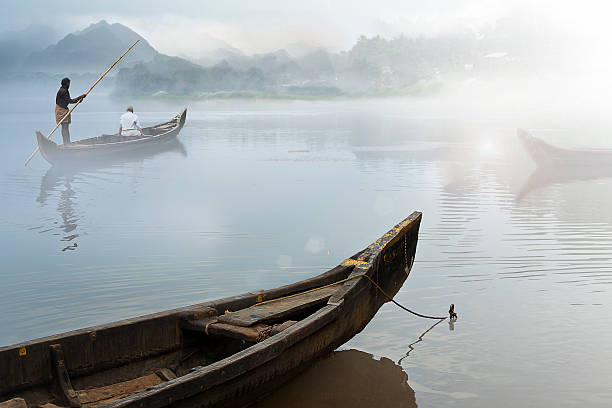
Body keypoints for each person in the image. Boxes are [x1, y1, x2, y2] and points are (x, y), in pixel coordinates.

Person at [55, 78, 86, 145]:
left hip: (64, 109)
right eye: (69, 84)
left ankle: (67, 142)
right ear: (66, 84)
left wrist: (78, 101)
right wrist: (80, 97)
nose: (69, 85)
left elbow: (69, 101)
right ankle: (66, 143)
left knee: (65, 126)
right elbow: (70, 101)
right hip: (61, 110)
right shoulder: (63, 91)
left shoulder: (65, 90)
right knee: (65, 126)